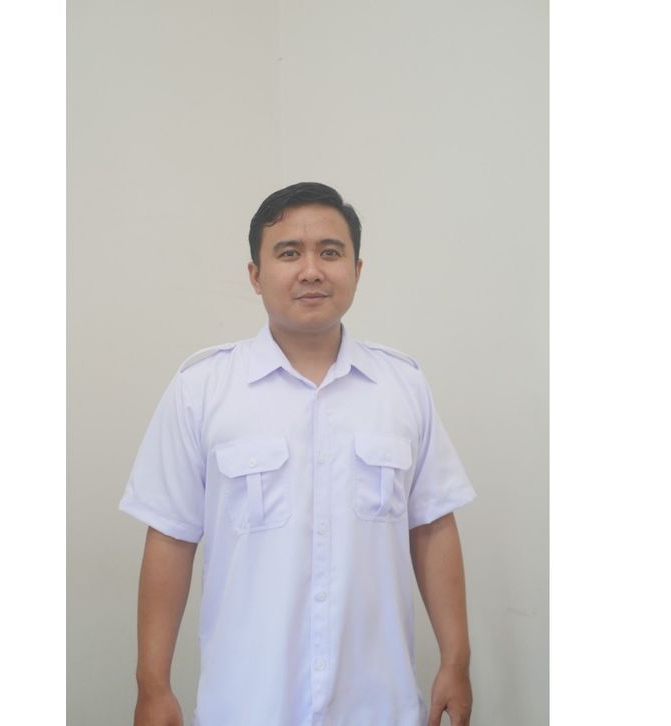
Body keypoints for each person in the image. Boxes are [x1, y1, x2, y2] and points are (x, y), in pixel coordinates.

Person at [119, 182, 477, 726]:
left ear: (357, 270)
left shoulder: (402, 387)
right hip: (247, 704)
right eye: (289, 253)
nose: (311, 270)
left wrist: (456, 660)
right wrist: (153, 686)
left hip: (377, 704)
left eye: (330, 252)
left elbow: (432, 526)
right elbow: (170, 538)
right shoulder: (202, 389)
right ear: (255, 275)